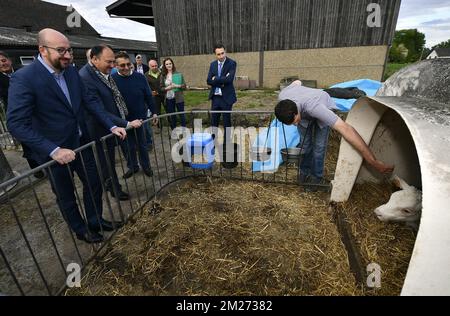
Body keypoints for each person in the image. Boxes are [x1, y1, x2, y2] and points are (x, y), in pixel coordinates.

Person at [7, 28, 127, 243]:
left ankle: (95, 220)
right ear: (42, 50)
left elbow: (89, 101)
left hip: (81, 142)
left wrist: (111, 126)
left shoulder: (71, 71)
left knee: (94, 183)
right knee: (66, 194)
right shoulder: (24, 78)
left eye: (69, 50)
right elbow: (16, 124)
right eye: (61, 50)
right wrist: (53, 150)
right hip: (54, 152)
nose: (68, 56)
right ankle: (81, 230)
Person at [275, 80, 394, 191]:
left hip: (320, 102)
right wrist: (302, 93)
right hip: (305, 111)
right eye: (291, 124)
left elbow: (347, 129)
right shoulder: (283, 97)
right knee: (305, 145)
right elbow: (297, 82)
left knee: (319, 147)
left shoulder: (316, 108)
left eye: (295, 121)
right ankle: (304, 173)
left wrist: (372, 161)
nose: (295, 125)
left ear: (296, 111)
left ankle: (316, 178)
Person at [79, 45, 142, 201]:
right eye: (109, 62)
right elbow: (98, 109)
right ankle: (113, 188)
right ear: (94, 59)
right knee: (106, 162)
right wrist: (126, 123)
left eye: (114, 61)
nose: (113, 66)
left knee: (109, 159)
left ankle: (111, 183)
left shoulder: (101, 72)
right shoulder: (86, 78)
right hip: (98, 128)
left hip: (110, 124)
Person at [112, 51, 157, 178]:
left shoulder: (140, 77)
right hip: (123, 121)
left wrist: (154, 112)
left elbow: (148, 96)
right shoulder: (112, 80)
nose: (126, 67)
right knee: (127, 146)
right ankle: (133, 167)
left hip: (140, 118)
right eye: (122, 65)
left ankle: (146, 166)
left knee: (142, 144)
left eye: (128, 64)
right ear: (116, 66)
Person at [1, 51, 45, 178]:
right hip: (20, 116)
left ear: (9, 60)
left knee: (41, 136)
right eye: (0, 61)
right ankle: (36, 169)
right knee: (28, 143)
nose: (3, 62)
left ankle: (48, 161)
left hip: (35, 111)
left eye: (4, 59)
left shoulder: (22, 71)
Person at [207, 44, 237, 143]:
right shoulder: (213, 64)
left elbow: (229, 79)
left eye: (222, 53)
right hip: (215, 98)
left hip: (226, 98)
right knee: (214, 122)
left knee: (226, 122)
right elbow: (208, 80)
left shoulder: (232, 63)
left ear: (225, 52)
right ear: (215, 55)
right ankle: (212, 143)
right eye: (218, 54)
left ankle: (227, 144)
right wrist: (221, 81)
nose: (221, 56)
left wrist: (215, 79)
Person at [160, 58, 186, 130]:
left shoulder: (178, 74)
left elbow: (184, 86)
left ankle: (184, 131)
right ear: (164, 66)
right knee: (172, 116)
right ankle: (174, 131)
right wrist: (168, 88)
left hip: (178, 98)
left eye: (170, 63)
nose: (169, 65)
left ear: (172, 64)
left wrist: (177, 86)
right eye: (167, 64)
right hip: (169, 98)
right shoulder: (163, 76)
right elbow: (161, 88)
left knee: (181, 115)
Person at [145, 59, 165, 130]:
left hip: (164, 94)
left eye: (156, 65)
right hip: (155, 97)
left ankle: (172, 126)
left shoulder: (162, 73)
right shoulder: (146, 75)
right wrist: (151, 92)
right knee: (157, 112)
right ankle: (159, 127)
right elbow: (146, 86)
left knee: (168, 110)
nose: (154, 67)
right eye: (152, 66)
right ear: (149, 66)